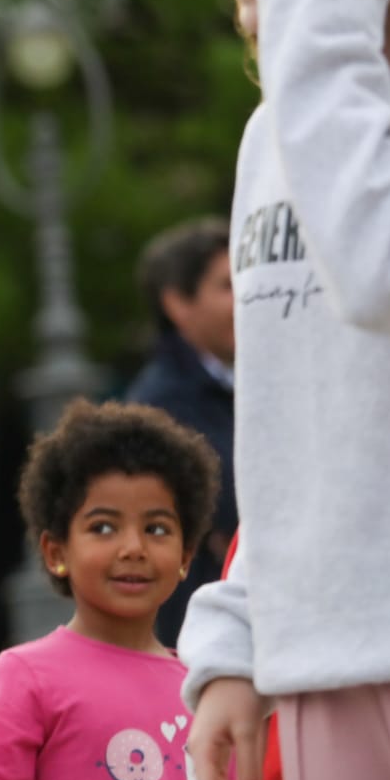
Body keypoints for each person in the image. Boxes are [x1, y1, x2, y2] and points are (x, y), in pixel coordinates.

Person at [186, 0, 390, 780]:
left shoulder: (308, 89)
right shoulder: (277, 130)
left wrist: (321, 26)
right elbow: (289, 426)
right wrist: (235, 640)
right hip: (324, 662)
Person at [0, 400, 218, 780]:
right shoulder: (27, 677)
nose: (133, 548)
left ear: (185, 557)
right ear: (56, 551)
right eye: (104, 527)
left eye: (156, 528)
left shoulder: (205, 691)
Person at [124, 217, 235, 645]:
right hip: (202, 639)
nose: (247, 297)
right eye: (227, 285)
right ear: (177, 303)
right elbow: (234, 509)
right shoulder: (160, 407)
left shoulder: (231, 387)